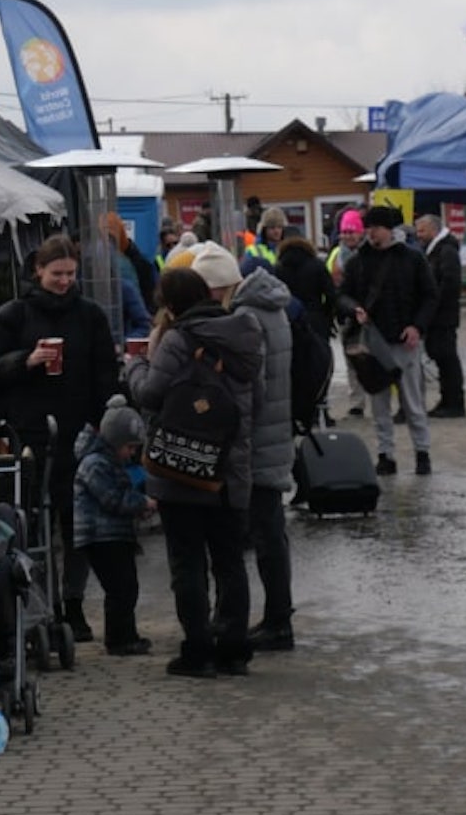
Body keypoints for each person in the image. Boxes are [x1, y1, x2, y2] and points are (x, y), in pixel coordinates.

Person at [0, 234, 119, 642]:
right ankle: (39, 607)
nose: (64, 281)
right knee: (34, 525)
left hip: (80, 435)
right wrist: (28, 360)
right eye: (57, 274)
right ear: (38, 271)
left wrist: (104, 422)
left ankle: (73, 605)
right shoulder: (13, 316)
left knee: (78, 526)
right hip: (31, 435)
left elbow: (105, 372)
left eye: (71, 274)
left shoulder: (90, 315)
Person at [125, 264, 263, 678]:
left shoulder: (178, 339)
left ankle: (198, 651)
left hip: (181, 466)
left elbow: (150, 394)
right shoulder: (245, 334)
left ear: (169, 304)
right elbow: (256, 400)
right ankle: (235, 649)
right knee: (230, 562)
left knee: (187, 564)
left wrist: (134, 366)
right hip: (231, 466)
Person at [218, 243, 298, 653]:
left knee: (266, 534)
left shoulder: (247, 314)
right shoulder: (275, 307)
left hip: (260, 438)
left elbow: (255, 384)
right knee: (272, 532)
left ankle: (278, 622)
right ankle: (278, 616)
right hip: (278, 432)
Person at [338, 205, 436, 475]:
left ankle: (422, 452)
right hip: (372, 343)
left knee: (412, 402)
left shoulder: (413, 259)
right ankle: (386, 454)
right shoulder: (357, 262)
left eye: (375, 228)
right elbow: (342, 295)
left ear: (389, 230)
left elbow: (430, 296)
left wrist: (417, 326)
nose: (370, 233)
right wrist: (353, 308)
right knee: (379, 403)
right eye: (367, 228)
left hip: (405, 341)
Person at [72, 395, 156, 656]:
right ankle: (119, 639)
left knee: (126, 586)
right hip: (101, 536)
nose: (131, 453)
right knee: (120, 588)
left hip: (114, 534)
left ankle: (126, 635)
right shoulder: (95, 463)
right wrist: (142, 503)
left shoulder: (110, 462)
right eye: (129, 447)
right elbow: (113, 499)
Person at [275, 235, 337, 431]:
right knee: (319, 364)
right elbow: (331, 294)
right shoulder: (317, 265)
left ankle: (297, 412)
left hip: (289, 322)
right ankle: (321, 409)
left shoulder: (278, 268)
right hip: (316, 321)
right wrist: (327, 316)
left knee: (294, 367)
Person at [414, 214, 466, 419]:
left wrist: (433, 306)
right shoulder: (438, 249)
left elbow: (449, 283)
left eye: (422, 231)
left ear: (434, 230)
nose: (419, 235)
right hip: (440, 314)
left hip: (443, 315)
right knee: (442, 357)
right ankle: (448, 400)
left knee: (446, 358)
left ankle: (453, 402)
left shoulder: (446, 251)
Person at [328, 209, 368, 419]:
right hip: (346, 314)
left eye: (352, 231)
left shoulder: (369, 254)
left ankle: (379, 398)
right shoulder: (336, 255)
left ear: (361, 233)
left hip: (370, 315)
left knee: (373, 358)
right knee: (352, 360)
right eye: (344, 231)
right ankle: (357, 402)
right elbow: (332, 286)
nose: (347, 236)